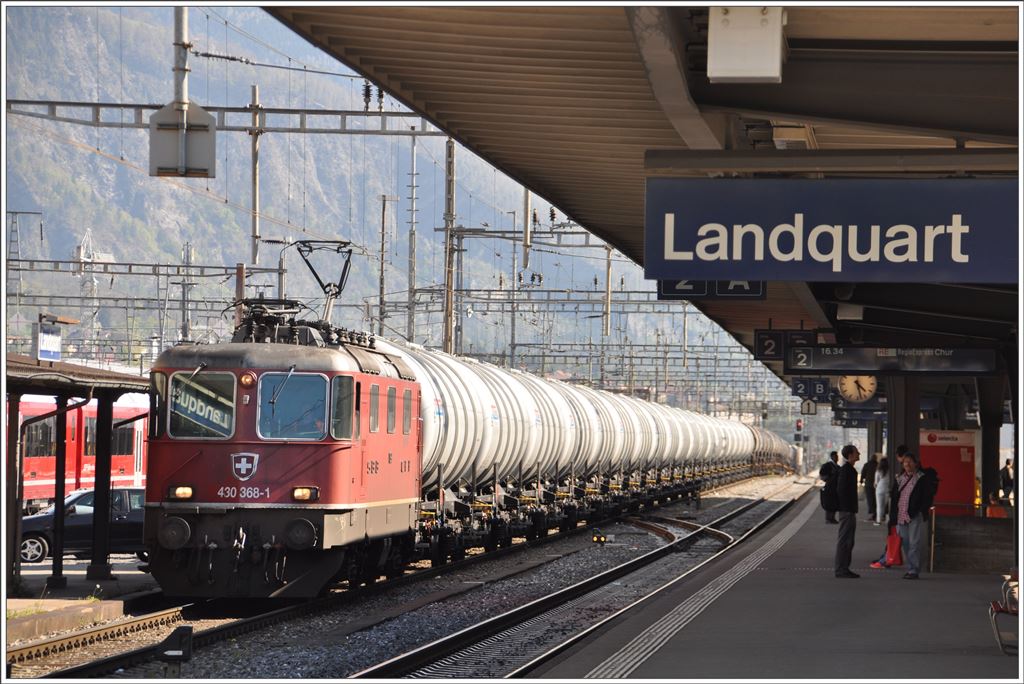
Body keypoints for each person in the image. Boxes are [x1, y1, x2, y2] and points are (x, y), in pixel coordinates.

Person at [888, 451, 938, 580]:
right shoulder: (899, 478)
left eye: (910, 461)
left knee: (915, 543)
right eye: (905, 462)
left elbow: (927, 496)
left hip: (914, 515)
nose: (907, 464)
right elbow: (894, 497)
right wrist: (892, 516)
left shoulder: (921, 478)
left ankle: (913, 570)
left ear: (916, 463)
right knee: (905, 542)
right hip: (901, 515)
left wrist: (921, 510)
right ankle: (911, 566)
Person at [835, 444, 861, 578]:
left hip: (848, 510)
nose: (859, 454)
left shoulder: (848, 469)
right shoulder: (847, 470)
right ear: (850, 455)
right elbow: (842, 491)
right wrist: (848, 509)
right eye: (857, 452)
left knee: (849, 540)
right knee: (845, 540)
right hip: (847, 511)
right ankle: (841, 569)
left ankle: (844, 567)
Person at [819, 451, 840, 524]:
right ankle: (828, 519)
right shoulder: (827, 465)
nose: (837, 458)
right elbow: (822, 475)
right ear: (832, 457)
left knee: (834, 504)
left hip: (835, 488)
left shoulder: (837, 466)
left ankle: (832, 518)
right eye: (836, 457)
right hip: (829, 488)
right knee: (829, 504)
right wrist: (829, 478)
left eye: (837, 457)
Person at [873, 456, 891, 525]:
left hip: (879, 490)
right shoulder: (888, 471)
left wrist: (875, 486)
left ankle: (878, 520)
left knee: (879, 505)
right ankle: (884, 518)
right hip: (886, 490)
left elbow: (875, 482)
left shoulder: (878, 471)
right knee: (884, 506)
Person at [860, 452, 878, 522]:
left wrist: (861, 480)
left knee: (870, 500)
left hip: (868, 484)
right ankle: (875, 513)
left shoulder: (867, 464)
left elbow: (863, 473)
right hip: (876, 485)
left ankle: (873, 514)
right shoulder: (878, 465)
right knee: (875, 499)